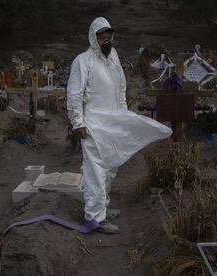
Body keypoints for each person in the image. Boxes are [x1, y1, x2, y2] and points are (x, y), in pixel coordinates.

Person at [67, 17, 172, 234]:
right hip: (93, 124)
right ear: (93, 38)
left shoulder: (113, 57)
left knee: (110, 168)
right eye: (101, 37)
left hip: (114, 122)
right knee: (95, 171)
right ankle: (95, 218)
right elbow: (74, 94)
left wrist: (124, 115)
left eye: (108, 37)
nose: (106, 41)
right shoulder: (82, 61)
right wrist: (78, 122)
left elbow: (121, 86)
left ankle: (102, 208)